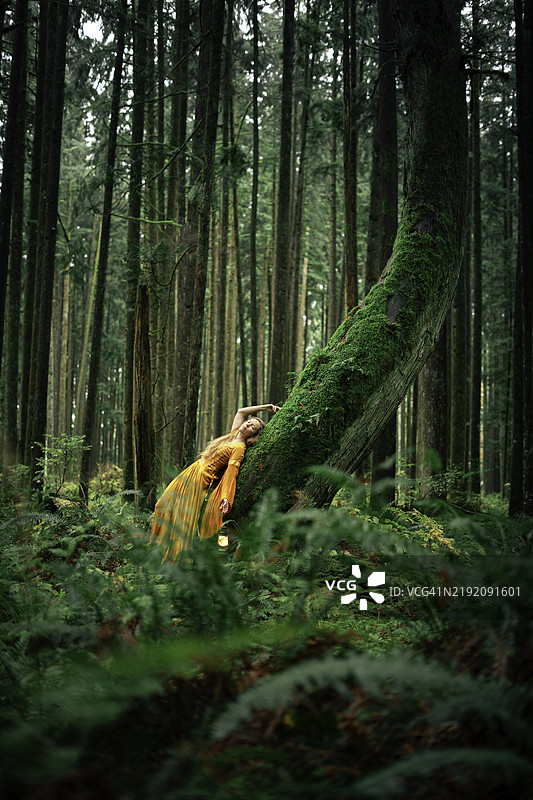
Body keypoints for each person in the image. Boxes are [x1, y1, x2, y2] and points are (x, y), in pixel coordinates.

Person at [150, 404, 280, 560]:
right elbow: (241, 412)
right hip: (192, 471)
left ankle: (174, 558)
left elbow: (231, 474)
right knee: (162, 505)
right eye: (249, 422)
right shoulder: (233, 435)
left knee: (181, 518)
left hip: (199, 480)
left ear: (254, 434)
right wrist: (266, 408)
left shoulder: (239, 448)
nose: (248, 425)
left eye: (252, 427)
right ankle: (158, 546)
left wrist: (226, 497)